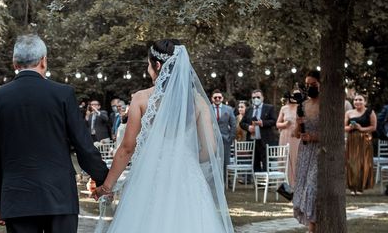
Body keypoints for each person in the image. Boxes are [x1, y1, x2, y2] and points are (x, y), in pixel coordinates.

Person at [92, 40, 234, 232]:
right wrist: (187, 159)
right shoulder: (199, 102)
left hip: (151, 177)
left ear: (157, 65)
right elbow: (211, 149)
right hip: (188, 179)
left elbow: (126, 149)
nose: (148, 69)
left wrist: (106, 187)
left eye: (148, 65)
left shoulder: (142, 98)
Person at [0, 34, 108, 233]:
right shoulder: (63, 94)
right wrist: (102, 179)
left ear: (14, 63)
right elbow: (83, 145)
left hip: (17, 198)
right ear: (43, 60)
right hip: (59, 195)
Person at [293, 71, 321, 233]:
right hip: (304, 152)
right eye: (307, 85)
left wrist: (314, 136)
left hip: (319, 152)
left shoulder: (327, 105)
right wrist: (298, 125)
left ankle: (312, 228)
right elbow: (297, 134)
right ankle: (312, 225)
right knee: (303, 185)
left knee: (312, 187)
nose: (310, 87)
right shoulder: (303, 105)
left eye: (313, 84)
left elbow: (333, 133)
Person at [344, 93, 377, 194]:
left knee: (363, 163)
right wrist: (350, 128)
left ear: (365, 102)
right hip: (352, 140)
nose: (357, 102)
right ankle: (352, 186)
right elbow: (343, 127)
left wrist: (361, 128)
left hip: (365, 140)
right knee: (351, 162)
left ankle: (360, 187)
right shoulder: (349, 113)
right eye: (355, 100)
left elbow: (373, 127)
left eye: (360, 100)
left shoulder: (370, 112)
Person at [240, 89, 277, 172]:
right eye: (253, 97)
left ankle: (266, 183)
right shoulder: (249, 109)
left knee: (266, 163)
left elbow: (274, 121)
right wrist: (248, 127)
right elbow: (242, 123)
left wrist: (262, 123)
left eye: (258, 97)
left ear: (262, 98)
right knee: (255, 163)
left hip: (265, 140)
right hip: (252, 141)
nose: (256, 99)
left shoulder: (269, 108)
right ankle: (257, 184)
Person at [277, 89, 301, 186]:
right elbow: (277, 124)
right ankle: (284, 185)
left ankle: (295, 183)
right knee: (284, 158)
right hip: (285, 135)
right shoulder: (284, 108)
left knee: (295, 158)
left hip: (296, 136)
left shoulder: (301, 107)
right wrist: (285, 124)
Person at [212, 89, 235, 177]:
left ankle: (226, 180)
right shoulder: (208, 108)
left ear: (222, 98)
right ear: (212, 98)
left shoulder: (228, 109)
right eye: (215, 97)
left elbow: (233, 124)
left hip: (226, 139)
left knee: (226, 161)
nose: (217, 99)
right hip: (212, 140)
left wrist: (231, 138)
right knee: (212, 161)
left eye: (219, 97)